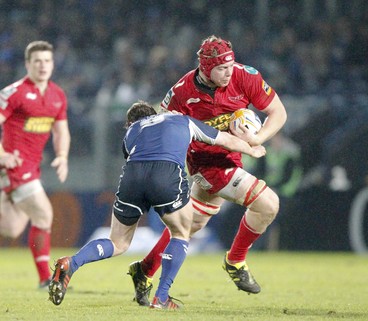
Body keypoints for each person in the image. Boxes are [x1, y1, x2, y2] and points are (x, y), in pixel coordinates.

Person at [48, 100, 266, 309]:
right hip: (165, 172)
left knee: (118, 242)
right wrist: (252, 148)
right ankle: (161, 298)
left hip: (132, 177)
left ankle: (72, 263)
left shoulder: (132, 132)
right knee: (181, 232)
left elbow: (132, 155)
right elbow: (224, 140)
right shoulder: (182, 120)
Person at [129, 35, 287, 306]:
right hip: (205, 163)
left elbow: (278, 112)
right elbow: (163, 129)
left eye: (231, 65)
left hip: (233, 156)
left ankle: (143, 270)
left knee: (191, 224)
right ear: (205, 67)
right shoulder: (180, 93)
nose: (229, 72)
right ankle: (236, 261)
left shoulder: (245, 76)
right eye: (222, 68)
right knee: (268, 204)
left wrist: (258, 138)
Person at [0, 41, 70, 289]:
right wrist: (3, 155)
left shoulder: (57, 95)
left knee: (12, 227)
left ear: (53, 64)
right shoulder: (14, 93)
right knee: (44, 214)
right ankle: (45, 279)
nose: (42, 66)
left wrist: (62, 156)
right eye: (37, 61)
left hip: (31, 167)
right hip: (14, 166)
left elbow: (61, 131)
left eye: (47, 61)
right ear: (27, 64)